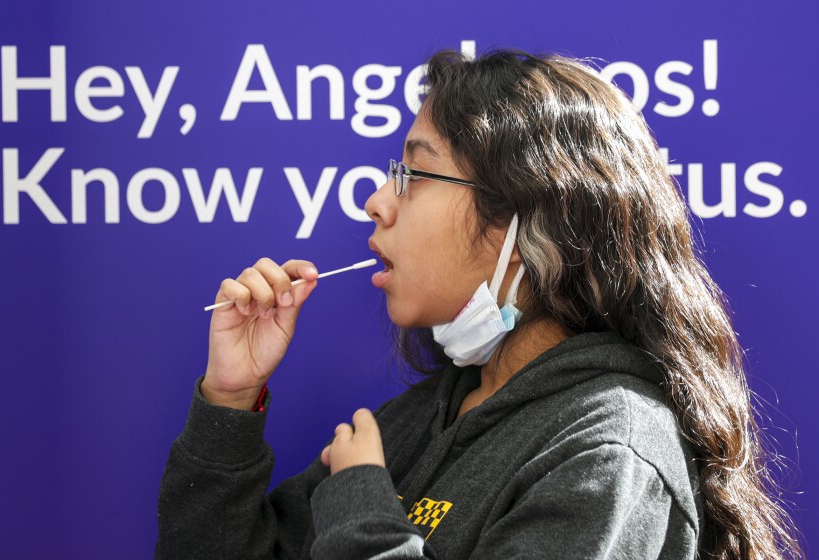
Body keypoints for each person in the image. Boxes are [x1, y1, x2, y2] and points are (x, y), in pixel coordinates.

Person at [156, 49, 801, 559]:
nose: (378, 202)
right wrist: (231, 400)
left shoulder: (608, 452)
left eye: (414, 173)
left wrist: (359, 508)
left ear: (518, 223)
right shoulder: (419, 418)